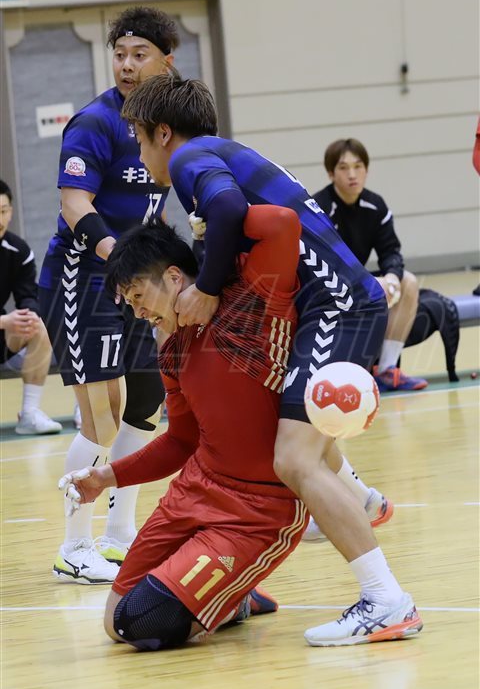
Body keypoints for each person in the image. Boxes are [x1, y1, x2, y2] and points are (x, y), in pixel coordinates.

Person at [119, 74, 423, 647]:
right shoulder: (219, 154)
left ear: (163, 132)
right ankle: (359, 499)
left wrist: (208, 288)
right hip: (330, 306)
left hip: (335, 305)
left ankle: (386, 600)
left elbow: (232, 208)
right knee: (299, 440)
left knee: (293, 458)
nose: (139, 155)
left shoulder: (189, 160)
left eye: (138, 140)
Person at [59, 205, 308, 650]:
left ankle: (227, 593)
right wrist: (106, 476)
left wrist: (210, 220)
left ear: (174, 277)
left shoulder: (248, 304)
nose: (138, 313)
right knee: (116, 621)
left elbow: (282, 223)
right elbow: (180, 441)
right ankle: (232, 597)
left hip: (257, 511)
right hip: (194, 492)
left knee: (140, 622)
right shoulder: (172, 349)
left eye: (139, 296)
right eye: (130, 303)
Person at [38, 7, 179, 584]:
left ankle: (119, 537)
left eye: (139, 54)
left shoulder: (168, 122)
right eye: (119, 54)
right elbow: (76, 204)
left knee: (145, 403)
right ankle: (74, 547)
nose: (126, 64)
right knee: (101, 415)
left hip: (135, 280)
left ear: (166, 61)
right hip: (83, 278)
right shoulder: (93, 123)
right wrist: (118, 258)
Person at [312, 139, 427, 393]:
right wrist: (367, 282)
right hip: (326, 285)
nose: (352, 174)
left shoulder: (376, 206)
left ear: (367, 169)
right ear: (331, 173)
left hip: (360, 282)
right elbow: (324, 263)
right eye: (343, 168)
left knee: (408, 282)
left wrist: (392, 278)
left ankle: (386, 370)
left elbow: (391, 252)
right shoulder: (319, 208)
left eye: (358, 166)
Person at [0, 179, 62, 435]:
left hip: (3, 330)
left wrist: (27, 316)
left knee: (37, 327)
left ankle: (29, 413)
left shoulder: (18, 250)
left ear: (11, 212)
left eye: (3, 211)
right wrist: (4, 321)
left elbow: (28, 296)